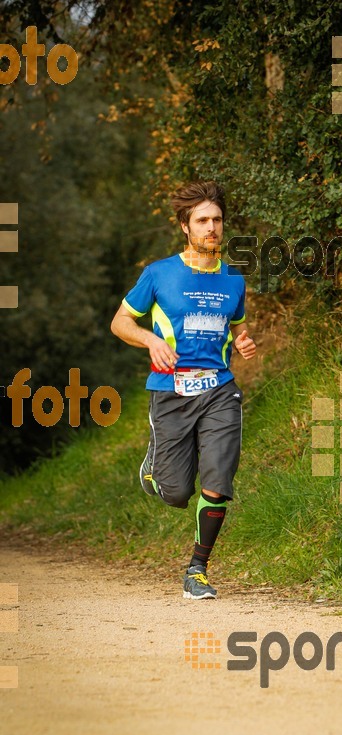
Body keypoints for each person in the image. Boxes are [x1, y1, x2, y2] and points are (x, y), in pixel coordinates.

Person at [110, 180, 256, 599]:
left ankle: (198, 569)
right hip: (170, 391)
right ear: (185, 227)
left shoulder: (233, 278)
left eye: (217, 220)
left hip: (219, 391)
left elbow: (236, 328)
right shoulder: (158, 274)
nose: (212, 227)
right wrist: (151, 340)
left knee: (218, 478)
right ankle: (154, 466)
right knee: (175, 492)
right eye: (202, 220)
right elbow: (120, 322)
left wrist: (243, 342)